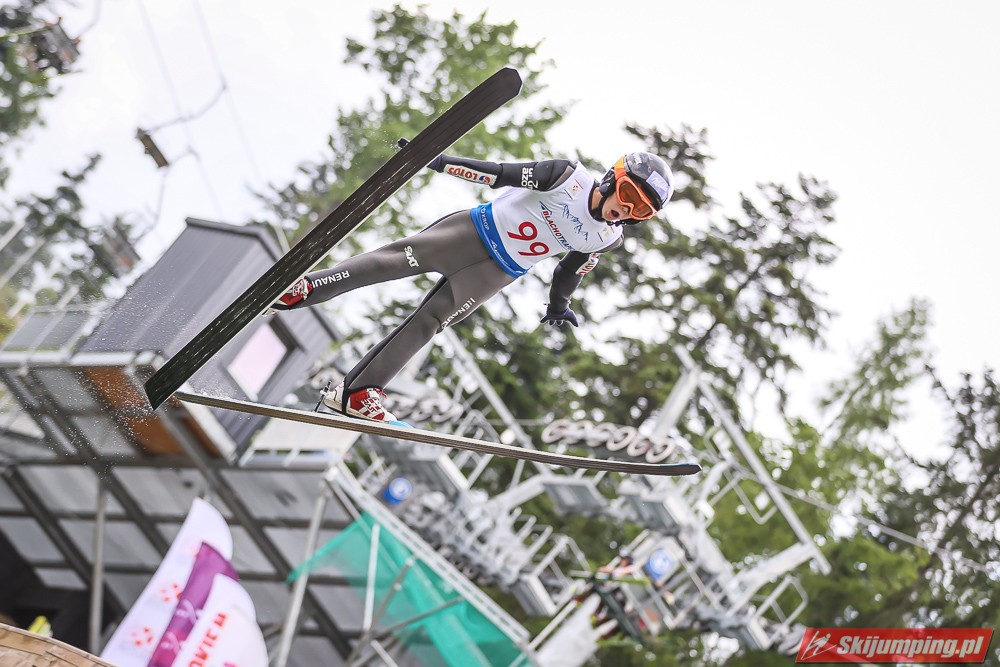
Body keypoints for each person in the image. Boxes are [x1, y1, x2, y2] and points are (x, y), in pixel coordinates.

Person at [270, 145, 674, 422]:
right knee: (389, 264)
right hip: (470, 234)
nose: (626, 209)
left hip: (495, 273)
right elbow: (497, 174)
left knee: (429, 323)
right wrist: (437, 160)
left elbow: (569, 270)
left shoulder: (607, 237)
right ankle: (301, 289)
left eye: (640, 211)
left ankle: (358, 393)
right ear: (611, 178)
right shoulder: (567, 177)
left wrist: (558, 305)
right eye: (628, 194)